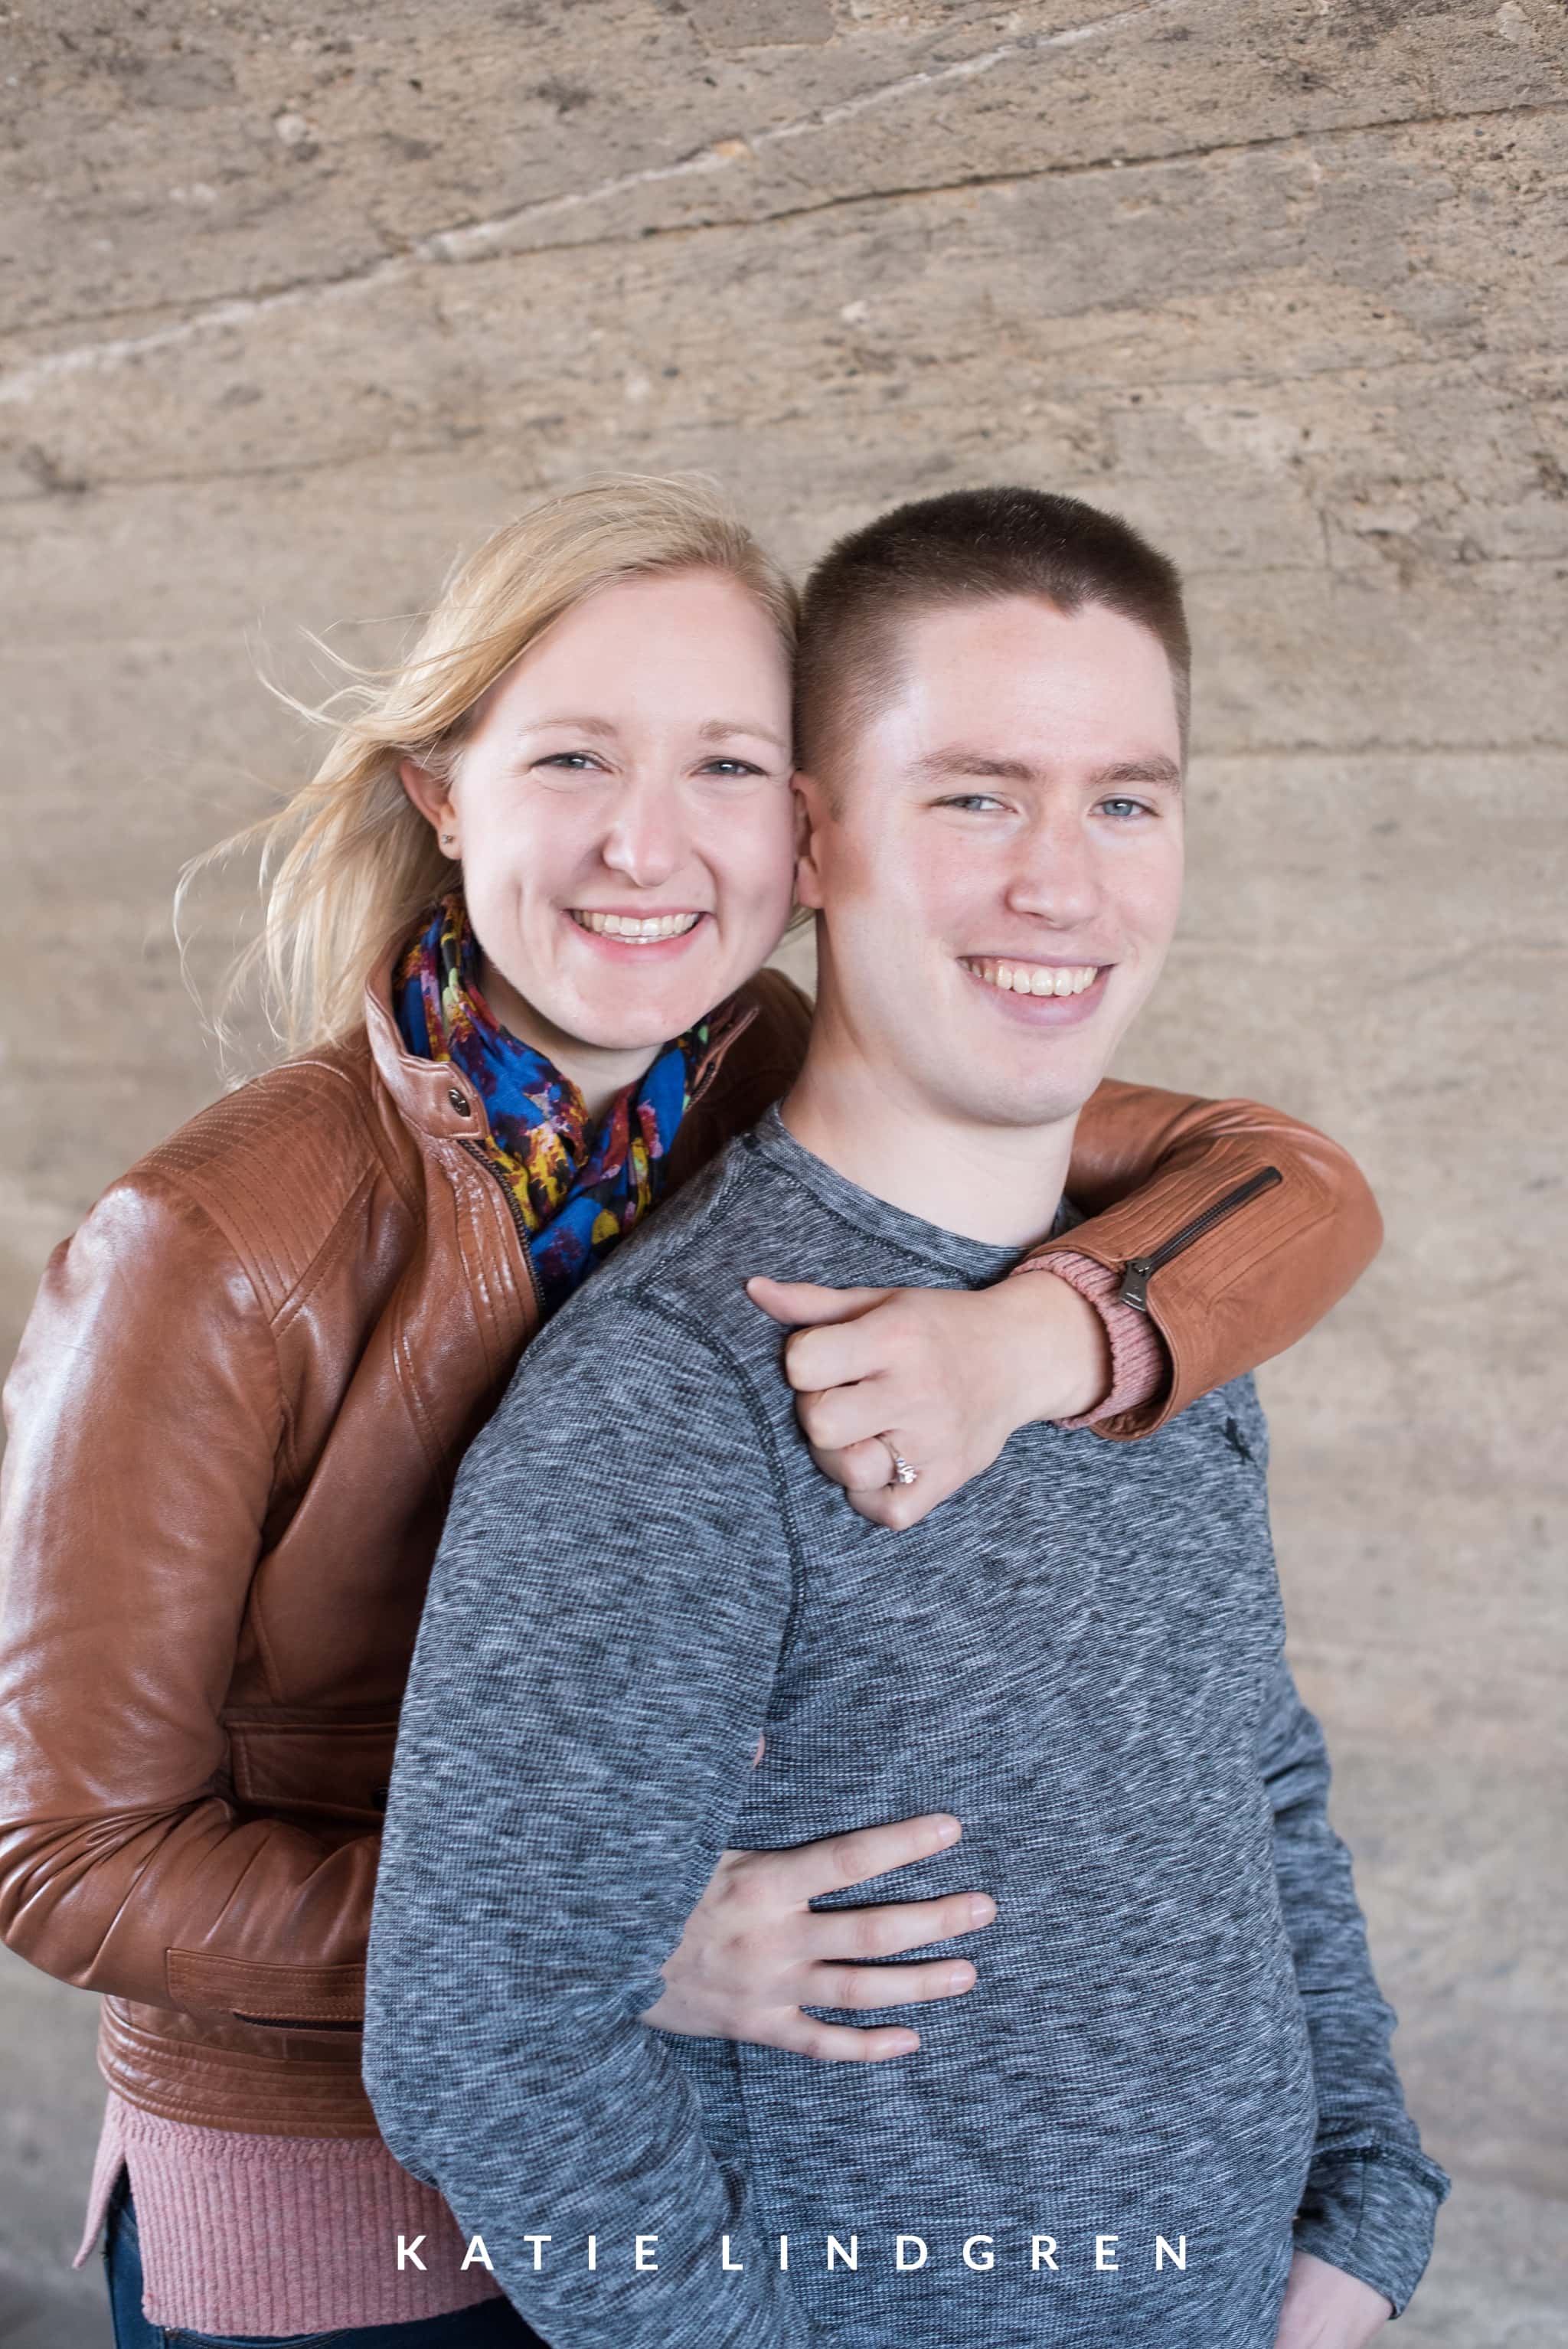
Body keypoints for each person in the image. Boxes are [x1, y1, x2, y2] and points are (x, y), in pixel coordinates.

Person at [0, 478, 1383, 2349]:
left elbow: (1279, 1179)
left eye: (722, 766)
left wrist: (1033, 1346)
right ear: (440, 790)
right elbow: (63, 1855)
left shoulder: (771, 1073)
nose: (648, 849)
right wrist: (619, 1943)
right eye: (571, 758)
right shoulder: (217, 1242)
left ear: (798, 825)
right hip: (340, 2195)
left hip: (700, 2144)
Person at [364, 486, 1449, 2349]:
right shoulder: (678, 1395)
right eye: (973, 793)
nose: (1063, 881)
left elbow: (1249, 1781)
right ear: (812, 838)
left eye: (1125, 797)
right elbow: (485, 2043)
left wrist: (1363, 2208)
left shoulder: (1136, 1314)